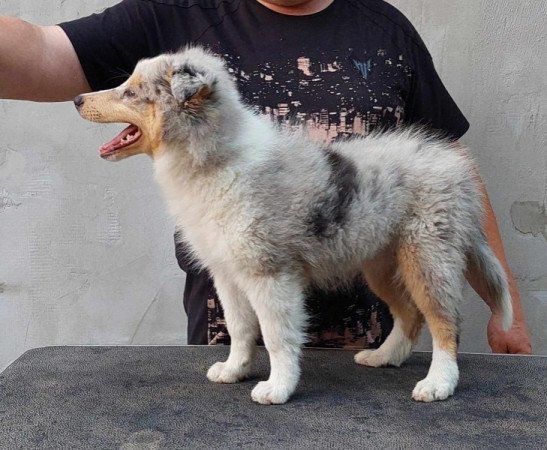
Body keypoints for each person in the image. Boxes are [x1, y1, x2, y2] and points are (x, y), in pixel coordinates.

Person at [0, 0, 531, 354]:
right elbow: (43, 52)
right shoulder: (175, 16)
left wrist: (507, 314)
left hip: (370, 360)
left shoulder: (387, 31)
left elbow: (450, 173)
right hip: (231, 352)